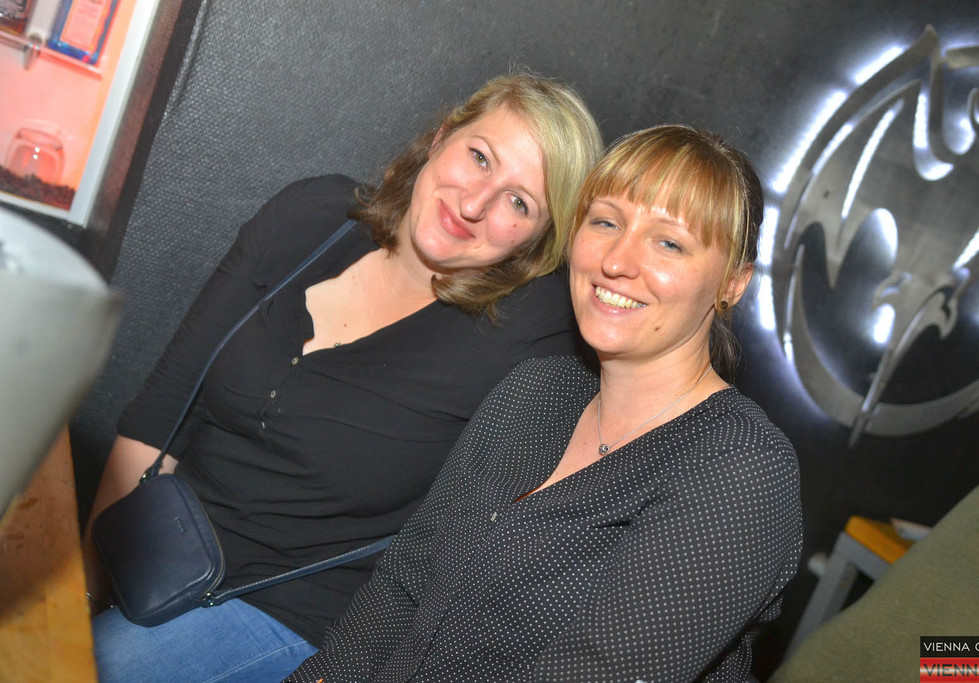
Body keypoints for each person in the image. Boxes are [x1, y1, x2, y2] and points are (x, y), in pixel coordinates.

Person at [84, 72, 602, 683]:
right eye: (479, 157)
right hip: (165, 549)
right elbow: (159, 419)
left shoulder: (530, 331)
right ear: (442, 135)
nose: (474, 204)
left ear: (539, 243)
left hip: (291, 615)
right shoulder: (312, 219)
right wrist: (84, 589)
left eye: (520, 203)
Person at [287, 125, 803, 682]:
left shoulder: (741, 468)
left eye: (669, 243)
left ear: (733, 283)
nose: (616, 261)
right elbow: (400, 590)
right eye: (606, 222)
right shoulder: (535, 390)